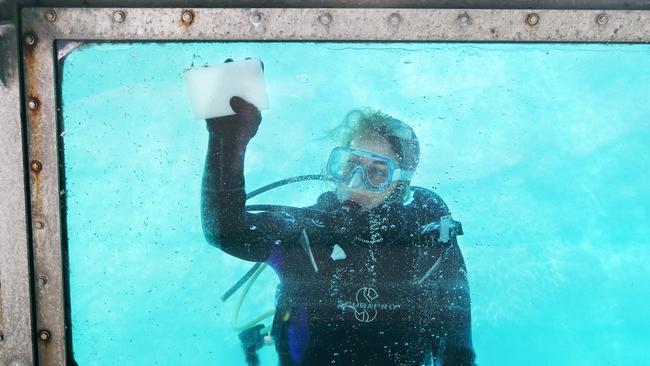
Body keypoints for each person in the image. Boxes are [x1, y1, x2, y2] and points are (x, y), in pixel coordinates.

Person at [201, 96, 475, 366]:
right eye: (349, 164)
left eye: (377, 173)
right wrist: (227, 140)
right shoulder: (307, 233)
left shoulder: (426, 235)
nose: (356, 183)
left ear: (398, 185)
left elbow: (458, 351)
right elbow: (226, 231)